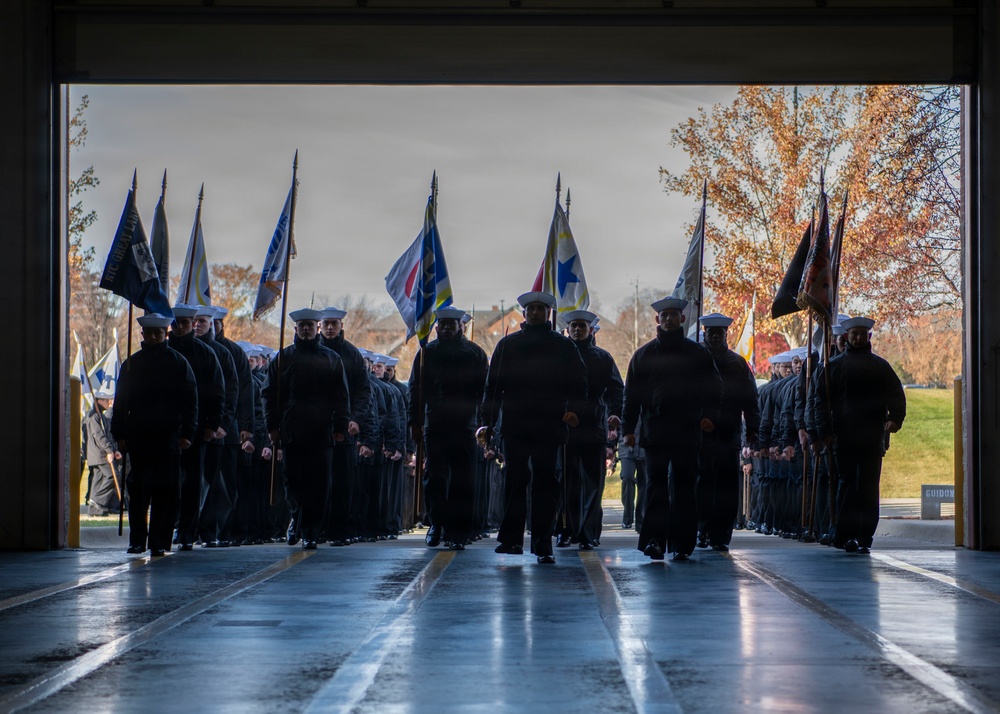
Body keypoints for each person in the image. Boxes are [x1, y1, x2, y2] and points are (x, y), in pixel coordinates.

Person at [480, 291, 588, 564]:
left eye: (541, 308)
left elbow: (579, 383)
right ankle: (511, 540)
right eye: (531, 309)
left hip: (550, 425)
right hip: (515, 425)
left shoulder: (564, 346)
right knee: (514, 482)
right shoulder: (507, 345)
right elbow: (493, 388)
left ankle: (543, 544)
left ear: (548, 313)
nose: (536, 313)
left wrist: (574, 410)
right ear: (524, 313)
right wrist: (488, 423)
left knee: (546, 485)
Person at [622, 296, 722, 561]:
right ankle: (654, 541)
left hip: (688, 431)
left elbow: (714, 389)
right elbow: (631, 396)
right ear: (657, 320)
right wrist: (628, 429)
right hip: (654, 432)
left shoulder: (698, 353)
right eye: (663, 315)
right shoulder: (643, 355)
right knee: (655, 488)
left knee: (684, 488)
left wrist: (710, 416)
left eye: (673, 315)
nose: (668, 319)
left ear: (683, 319)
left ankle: (681, 544)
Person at [812, 316, 905, 554]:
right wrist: (825, 433)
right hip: (842, 437)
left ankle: (865, 536)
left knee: (868, 486)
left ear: (868, 337)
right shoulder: (833, 367)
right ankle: (846, 535)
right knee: (846, 485)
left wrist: (894, 419)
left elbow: (896, 394)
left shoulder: (881, 366)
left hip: (872, 436)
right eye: (854, 334)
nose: (859, 338)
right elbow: (819, 402)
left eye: (863, 334)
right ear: (846, 337)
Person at [263, 308, 351, 549]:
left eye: (310, 326)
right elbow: (268, 395)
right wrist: (272, 426)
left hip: (322, 431)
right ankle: (296, 518)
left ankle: (311, 531)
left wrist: (341, 425)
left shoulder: (331, 358)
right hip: (291, 430)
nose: (305, 329)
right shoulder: (283, 357)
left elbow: (341, 396)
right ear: (295, 329)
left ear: (317, 329)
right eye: (301, 326)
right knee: (293, 480)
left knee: (319, 483)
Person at [111, 313, 198, 556]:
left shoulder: (179, 363)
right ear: (142, 335)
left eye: (157, 333)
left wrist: (188, 433)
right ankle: (137, 540)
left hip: (169, 439)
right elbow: (120, 404)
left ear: (165, 334)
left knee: (166, 494)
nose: (153, 337)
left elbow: (190, 402)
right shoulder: (132, 364)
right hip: (139, 439)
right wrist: (119, 434)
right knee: (138, 493)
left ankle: (160, 541)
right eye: (149, 333)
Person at [408, 306, 489, 550]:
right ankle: (437, 524)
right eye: (442, 325)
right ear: (436, 328)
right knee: (435, 479)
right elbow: (415, 390)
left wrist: (485, 425)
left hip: (466, 426)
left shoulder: (475, 353)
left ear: (460, 327)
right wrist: (414, 421)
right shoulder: (426, 353)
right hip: (436, 424)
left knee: (462, 481)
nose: (445, 329)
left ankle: (458, 531)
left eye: (450, 325)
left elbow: (484, 392)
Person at [695, 312, 760, 552]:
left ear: (725, 335)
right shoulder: (695, 361)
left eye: (719, 333)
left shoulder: (737, 363)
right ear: (704, 334)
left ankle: (721, 534)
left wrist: (752, 429)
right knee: (702, 484)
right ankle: (701, 530)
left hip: (728, 433)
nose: (714, 337)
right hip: (700, 434)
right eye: (710, 333)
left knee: (726, 487)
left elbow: (750, 399)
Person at [562, 309, 624, 550]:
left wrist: (615, 413)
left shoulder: (602, 357)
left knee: (593, 483)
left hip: (594, 426)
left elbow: (617, 389)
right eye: (574, 326)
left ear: (590, 330)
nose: (578, 330)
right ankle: (567, 530)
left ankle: (589, 532)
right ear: (568, 330)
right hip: (565, 427)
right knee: (568, 483)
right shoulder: (559, 356)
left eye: (582, 326)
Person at [168, 304, 225, 550]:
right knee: (169, 483)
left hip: (198, 429)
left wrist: (213, 424)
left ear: (193, 324)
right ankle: (169, 526)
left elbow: (217, 391)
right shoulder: (164, 351)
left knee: (192, 484)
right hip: (167, 429)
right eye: (176, 323)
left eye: (185, 322)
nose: (180, 327)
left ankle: (187, 532)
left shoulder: (206, 353)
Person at [320, 306, 373, 546]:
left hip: (344, 425)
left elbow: (363, 391)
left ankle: (339, 531)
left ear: (342, 326)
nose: (330, 327)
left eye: (334, 323)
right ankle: (314, 528)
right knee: (315, 480)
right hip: (315, 426)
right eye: (326, 323)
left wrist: (356, 419)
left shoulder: (352, 354)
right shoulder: (312, 352)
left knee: (342, 482)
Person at [83, 389, 122, 516]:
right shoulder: (94, 416)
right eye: (106, 401)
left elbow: (108, 434)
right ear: (99, 401)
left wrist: (114, 449)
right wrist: (109, 450)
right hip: (100, 454)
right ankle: (97, 502)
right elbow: (99, 435)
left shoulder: (101, 416)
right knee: (112, 475)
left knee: (98, 480)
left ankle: (94, 510)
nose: (109, 402)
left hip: (100, 453)